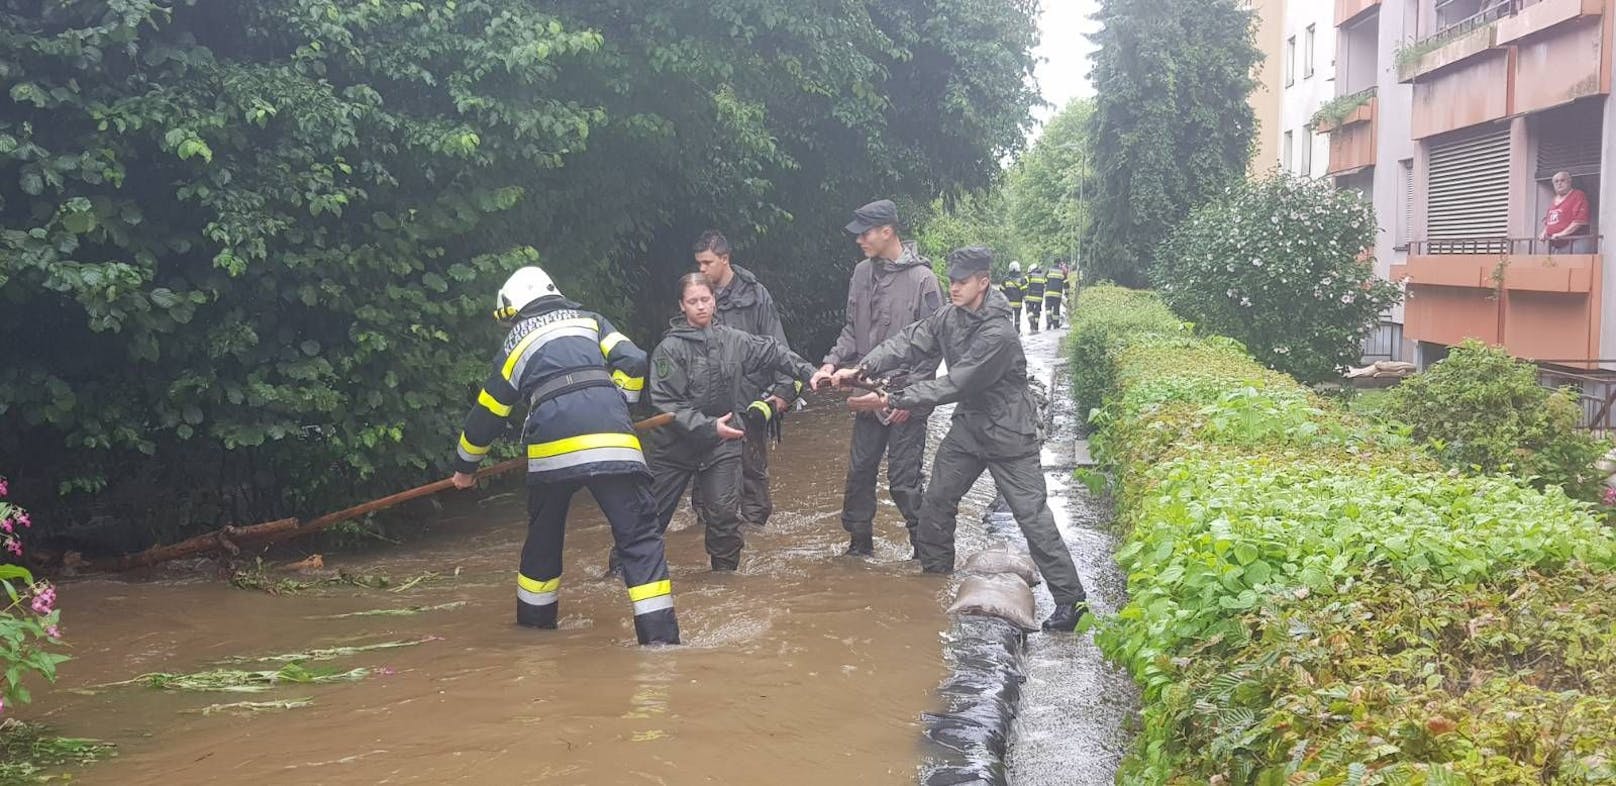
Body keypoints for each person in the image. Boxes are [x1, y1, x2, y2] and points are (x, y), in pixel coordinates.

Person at [829, 247, 1090, 632]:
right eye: (950, 281)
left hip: (1009, 434)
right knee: (936, 503)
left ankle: (1071, 602)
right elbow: (909, 340)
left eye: (962, 282)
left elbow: (956, 382)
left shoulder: (998, 333)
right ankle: (934, 578)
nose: (953, 288)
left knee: (1032, 517)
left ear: (983, 282)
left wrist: (891, 398)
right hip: (968, 427)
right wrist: (862, 368)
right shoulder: (948, 317)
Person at [450, 266, 679, 646]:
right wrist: (623, 402)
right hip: (613, 443)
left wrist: (464, 468)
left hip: (551, 455)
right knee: (639, 540)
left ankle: (534, 632)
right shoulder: (591, 321)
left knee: (543, 539)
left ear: (515, 308)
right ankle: (660, 644)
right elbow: (635, 360)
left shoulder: (514, 345)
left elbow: (488, 413)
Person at [644, 273, 817, 571]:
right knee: (649, 519)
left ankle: (724, 581)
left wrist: (809, 372)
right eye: (693, 301)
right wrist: (709, 427)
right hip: (675, 447)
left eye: (705, 299)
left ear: (714, 301)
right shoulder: (668, 350)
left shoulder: (733, 341)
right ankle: (620, 572)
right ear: (681, 306)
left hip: (722, 443)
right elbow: (668, 405)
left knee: (724, 517)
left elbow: (772, 350)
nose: (700, 306)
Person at [808, 199, 944, 557]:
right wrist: (829, 364)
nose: (859, 240)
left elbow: (934, 348)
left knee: (903, 484)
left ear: (888, 231)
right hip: (866, 392)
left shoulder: (924, 281)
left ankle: (926, 552)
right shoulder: (861, 274)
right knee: (859, 475)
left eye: (865, 233)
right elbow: (852, 331)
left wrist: (911, 399)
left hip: (906, 400)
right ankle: (859, 548)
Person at [690, 230, 795, 530]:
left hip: (750, 398)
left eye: (707, 263)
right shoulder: (697, 296)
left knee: (752, 473)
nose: (702, 269)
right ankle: (709, 531)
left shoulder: (755, 295)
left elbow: (776, 345)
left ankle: (756, 536)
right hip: (707, 403)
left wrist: (784, 392)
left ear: (725, 259)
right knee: (704, 473)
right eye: (698, 264)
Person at [1541, 171, 1592, 253]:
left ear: (1569, 181)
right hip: (1555, 245)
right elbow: (1549, 222)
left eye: (1562, 180)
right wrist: (1544, 233)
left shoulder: (1578, 195)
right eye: (1556, 181)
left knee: (1575, 266)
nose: (1559, 183)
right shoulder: (1554, 200)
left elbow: (1579, 221)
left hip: (1574, 243)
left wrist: (1561, 234)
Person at [1001, 261, 1026, 333]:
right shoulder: (1022, 280)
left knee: (1009, 318)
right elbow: (1024, 292)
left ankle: (1009, 331)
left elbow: (1001, 292)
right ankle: (1017, 331)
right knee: (1017, 317)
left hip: (1008, 303)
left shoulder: (1005, 280)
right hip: (1018, 304)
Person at [1043, 261, 1067, 330]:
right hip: (1057, 294)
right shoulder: (1062, 272)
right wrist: (1067, 293)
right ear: (1059, 264)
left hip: (1048, 293)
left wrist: (1046, 289)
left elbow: (1045, 282)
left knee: (1048, 308)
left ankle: (1048, 321)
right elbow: (1066, 283)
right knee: (1056, 309)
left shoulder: (1049, 271)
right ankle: (1055, 325)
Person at [1023, 264, 1045, 333]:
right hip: (1039, 298)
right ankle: (1036, 327)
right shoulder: (1042, 276)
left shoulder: (1029, 276)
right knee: (1037, 313)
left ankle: (1032, 325)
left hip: (1030, 298)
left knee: (1029, 311)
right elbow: (1044, 286)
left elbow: (1024, 285)